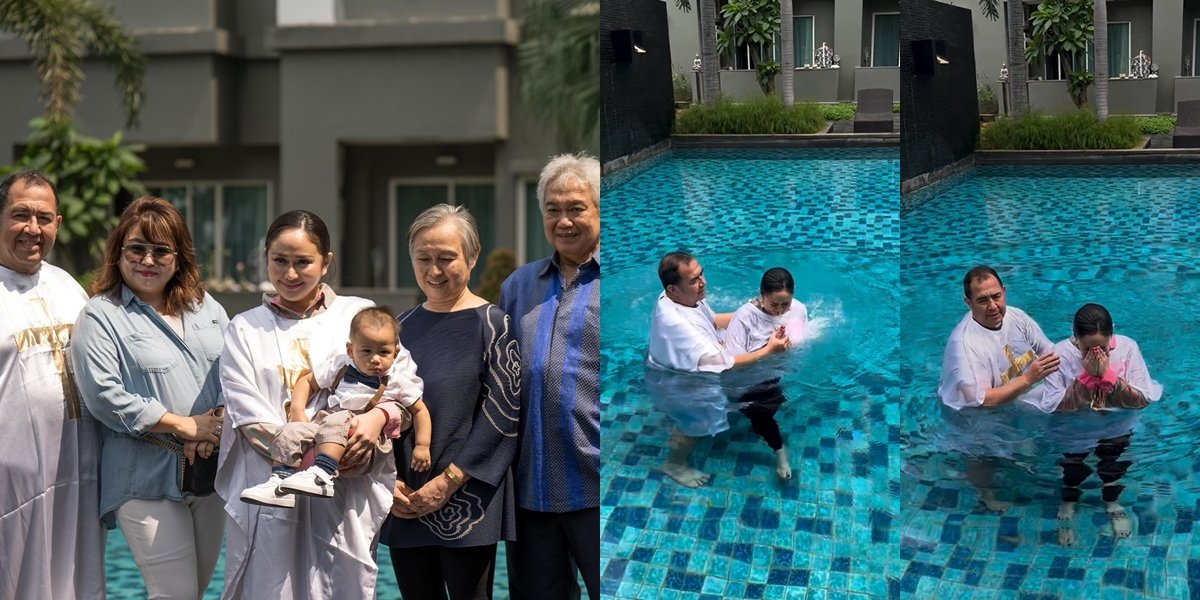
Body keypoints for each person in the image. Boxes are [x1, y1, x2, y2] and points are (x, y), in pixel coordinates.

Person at [216, 210, 409, 598]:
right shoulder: (245, 327)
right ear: (265, 258)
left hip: (347, 485)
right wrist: (316, 457)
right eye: (279, 260)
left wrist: (375, 421)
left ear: (326, 262)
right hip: (273, 485)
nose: (290, 274)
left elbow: (402, 384)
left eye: (303, 262)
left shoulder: (358, 314)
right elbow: (245, 411)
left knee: (340, 583)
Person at [70, 196, 229, 598]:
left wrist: (212, 427)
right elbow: (104, 395)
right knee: (175, 593)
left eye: (161, 250)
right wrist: (184, 425)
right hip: (144, 478)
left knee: (195, 589)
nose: (148, 260)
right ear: (118, 252)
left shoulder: (205, 306)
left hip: (207, 474)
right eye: (137, 249)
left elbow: (238, 370)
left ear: (179, 256)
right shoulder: (100, 316)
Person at [379, 204, 521, 600]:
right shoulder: (400, 327)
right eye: (423, 259)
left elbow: (503, 414)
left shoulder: (493, 324)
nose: (434, 271)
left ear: (472, 258)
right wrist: (387, 479)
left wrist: (449, 481)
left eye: (446, 258)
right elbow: (377, 404)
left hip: (468, 496)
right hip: (405, 495)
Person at [0, 170, 105, 599]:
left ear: (58, 224)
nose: (32, 229)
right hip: (11, 479)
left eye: (44, 217)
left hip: (78, 472)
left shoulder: (69, 287)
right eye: (20, 215)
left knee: (75, 581)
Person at [500, 153, 600, 599]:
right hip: (531, 489)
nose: (563, 220)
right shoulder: (518, 286)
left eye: (576, 208)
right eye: (552, 209)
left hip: (597, 484)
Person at [239, 305, 430, 506]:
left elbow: (419, 410)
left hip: (364, 439)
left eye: (384, 352)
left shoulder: (397, 379)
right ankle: (280, 479)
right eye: (366, 351)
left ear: (395, 352)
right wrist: (297, 411)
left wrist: (422, 445)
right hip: (329, 424)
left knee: (338, 420)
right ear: (350, 350)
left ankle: (322, 474)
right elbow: (307, 382)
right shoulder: (341, 366)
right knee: (292, 430)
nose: (375, 359)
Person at [647, 251, 789, 488]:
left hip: (690, 359)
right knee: (696, 422)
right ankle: (674, 464)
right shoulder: (677, 324)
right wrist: (769, 351)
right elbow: (725, 364)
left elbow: (712, 321)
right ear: (673, 289)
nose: (702, 282)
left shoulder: (683, 296)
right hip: (679, 379)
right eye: (693, 280)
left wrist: (757, 314)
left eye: (701, 273)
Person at [1029, 303, 1161, 545]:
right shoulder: (1057, 354)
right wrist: (1089, 378)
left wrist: (1108, 377)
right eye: (1088, 348)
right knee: (1072, 468)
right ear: (1075, 338)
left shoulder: (1128, 348)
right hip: (1075, 426)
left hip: (1114, 423)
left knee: (1113, 465)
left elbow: (1142, 399)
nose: (1096, 354)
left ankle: (1113, 503)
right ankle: (1068, 504)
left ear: (1112, 336)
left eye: (1103, 347)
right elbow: (1054, 405)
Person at [938, 265, 1059, 511]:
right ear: (968, 302)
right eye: (982, 300)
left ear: (1004, 291)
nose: (992, 306)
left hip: (1010, 392)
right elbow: (984, 401)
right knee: (981, 449)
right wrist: (1028, 379)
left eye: (996, 296)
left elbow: (1049, 352)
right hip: (968, 411)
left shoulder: (1017, 317)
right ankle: (986, 495)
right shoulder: (964, 346)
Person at [724, 267, 808, 481]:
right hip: (744, 379)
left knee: (769, 405)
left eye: (785, 304)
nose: (780, 311)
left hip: (773, 376)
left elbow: (799, 343)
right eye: (774, 304)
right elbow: (733, 363)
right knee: (760, 411)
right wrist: (769, 350)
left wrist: (786, 348)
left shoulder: (798, 309)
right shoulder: (745, 317)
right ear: (761, 295)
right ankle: (779, 452)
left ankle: (761, 428)